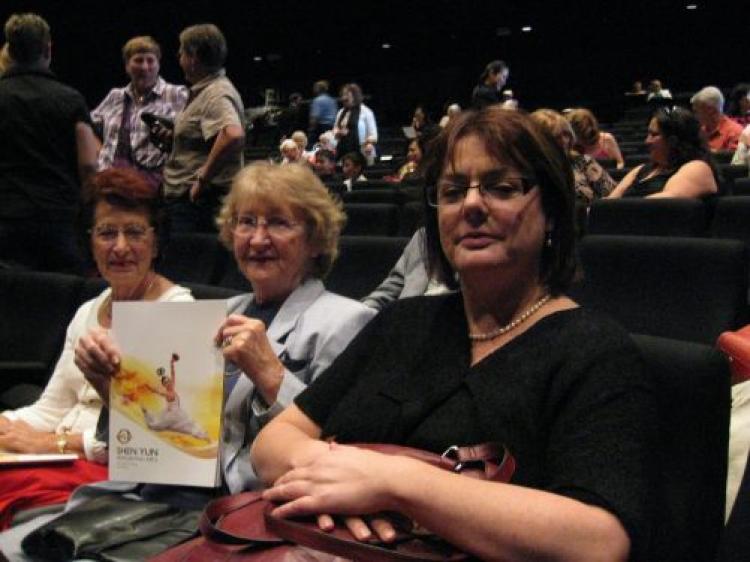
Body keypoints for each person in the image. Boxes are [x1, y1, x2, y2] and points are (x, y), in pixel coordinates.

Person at [252, 107, 656, 562]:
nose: (471, 205)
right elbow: (272, 445)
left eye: (502, 188)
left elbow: (598, 541)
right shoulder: (401, 323)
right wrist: (346, 485)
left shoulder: (594, 350)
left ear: (553, 214)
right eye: (452, 190)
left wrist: (394, 485)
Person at [18, 162, 379, 561]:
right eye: (245, 222)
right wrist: (109, 385)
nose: (258, 238)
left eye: (278, 223)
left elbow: (340, 449)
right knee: (25, 548)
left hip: (250, 511)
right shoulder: (215, 314)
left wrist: (271, 375)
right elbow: (164, 432)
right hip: (162, 495)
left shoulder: (346, 321)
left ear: (314, 240)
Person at [0, 167, 193, 529]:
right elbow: (50, 409)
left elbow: (162, 442)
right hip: (60, 456)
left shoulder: (177, 312)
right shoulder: (89, 310)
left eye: (134, 232)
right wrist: (7, 424)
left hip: (120, 476)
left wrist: (48, 445)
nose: (120, 247)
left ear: (156, 241)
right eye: (106, 233)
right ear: (89, 241)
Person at [0, 13, 98, 274]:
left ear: (9, 50)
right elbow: (89, 164)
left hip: (6, 220)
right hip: (59, 221)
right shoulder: (70, 99)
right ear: (48, 49)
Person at [161, 23, 245, 233]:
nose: (178, 58)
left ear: (193, 57)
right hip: (192, 204)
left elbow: (233, 135)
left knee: (187, 264)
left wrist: (202, 179)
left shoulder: (216, 93)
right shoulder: (205, 91)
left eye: (181, 53)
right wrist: (174, 138)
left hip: (198, 206)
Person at [90, 36, 188, 188]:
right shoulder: (116, 96)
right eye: (138, 60)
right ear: (127, 66)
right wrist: (99, 159)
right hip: (111, 184)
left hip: (154, 188)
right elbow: (87, 127)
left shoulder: (177, 95)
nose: (144, 67)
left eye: (150, 60)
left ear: (158, 64)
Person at [609, 106, 718, 198]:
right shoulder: (640, 170)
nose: (647, 141)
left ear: (673, 140)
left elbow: (661, 205)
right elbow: (609, 203)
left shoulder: (698, 168)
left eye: (654, 135)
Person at [531, 109, 616, 204]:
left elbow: (612, 195)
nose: (565, 141)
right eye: (557, 137)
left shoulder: (583, 162)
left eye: (566, 135)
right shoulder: (528, 169)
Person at [333, 83, 377, 164]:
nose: (343, 98)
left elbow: (373, 134)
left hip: (362, 151)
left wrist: (369, 144)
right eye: (342, 95)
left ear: (354, 96)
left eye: (346, 95)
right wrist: (338, 132)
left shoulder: (366, 112)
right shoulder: (341, 112)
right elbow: (335, 128)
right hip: (343, 150)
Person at [690, 86, 743, 152]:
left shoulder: (735, 132)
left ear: (710, 110)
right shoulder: (700, 131)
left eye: (696, 111)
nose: (694, 116)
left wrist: (706, 152)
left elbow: (732, 160)